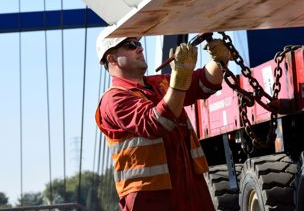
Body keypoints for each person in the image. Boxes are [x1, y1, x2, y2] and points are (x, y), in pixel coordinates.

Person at [95, 27, 231, 211]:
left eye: (139, 44)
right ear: (111, 59)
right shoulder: (114, 99)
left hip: (190, 191)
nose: (140, 48)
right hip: (151, 200)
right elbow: (156, 123)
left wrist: (219, 61)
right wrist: (180, 77)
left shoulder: (159, 84)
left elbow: (204, 83)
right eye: (130, 45)